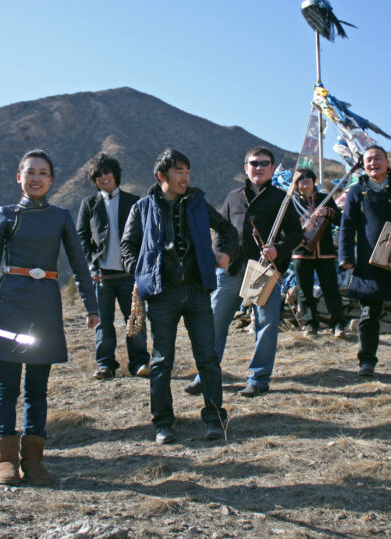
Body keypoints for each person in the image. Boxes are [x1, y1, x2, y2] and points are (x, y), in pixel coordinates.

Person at [0, 150, 98, 486]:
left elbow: (79, 265)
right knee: (6, 386)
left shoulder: (60, 216)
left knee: (37, 388)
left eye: (43, 173)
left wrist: (91, 306)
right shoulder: (6, 214)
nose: (36, 178)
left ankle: (34, 460)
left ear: (52, 180)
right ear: (19, 177)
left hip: (45, 304)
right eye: (30, 172)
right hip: (8, 302)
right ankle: (6, 459)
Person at [120, 148, 239, 444]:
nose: (185, 178)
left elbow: (226, 228)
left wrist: (226, 253)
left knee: (208, 358)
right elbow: (127, 246)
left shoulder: (198, 203)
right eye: (179, 172)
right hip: (162, 295)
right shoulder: (142, 207)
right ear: (162, 176)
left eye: (187, 172)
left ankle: (214, 418)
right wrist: (141, 272)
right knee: (161, 361)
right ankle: (163, 423)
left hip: (198, 291)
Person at [185, 147, 302, 397]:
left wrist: (278, 250)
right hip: (231, 270)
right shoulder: (233, 196)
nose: (258, 167)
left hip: (264, 271)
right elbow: (222, 230)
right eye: (254, 163)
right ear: (245, 167)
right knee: (215, 323)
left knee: (266, 324)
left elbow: (295, 234)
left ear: (272, 168)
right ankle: (205, 375)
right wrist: (220, 258)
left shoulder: (282, 198)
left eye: (264, 163)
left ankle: (258, 379)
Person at [338, 145, 391, 378]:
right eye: (368, 160)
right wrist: (346, 257)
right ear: (363, 165)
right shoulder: (357, 191)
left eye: (377, 158)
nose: (373, 163)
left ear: (387, 162)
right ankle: (366, 361)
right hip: (369, 261)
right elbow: (347, 227)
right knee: (369, 313)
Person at [76, 154, 149, 380]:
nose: (103, 177)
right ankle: (105, 365)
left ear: (115, 174)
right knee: (102, 323)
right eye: (98, 175)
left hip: (129, 274)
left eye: (106, 172)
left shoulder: (134, 201)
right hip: (102, 276)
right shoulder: (89, 204)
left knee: (135, 319)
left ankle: (139, 363)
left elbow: (145, 235)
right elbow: (81, 236)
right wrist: (91, 264)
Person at [289, 168, 347, 337]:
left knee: (331, 289)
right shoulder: (291, 202)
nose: (305, 183)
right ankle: (309, 324)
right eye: (300, 180)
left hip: (325, 252)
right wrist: (295, 238)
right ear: (296, 184)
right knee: (304, 291)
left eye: (308, 179)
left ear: (314, 182)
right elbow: (285, 226)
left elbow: (340, 220)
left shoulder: (325, 199)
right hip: (301, 252)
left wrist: (327, 212)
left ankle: (338, 324)